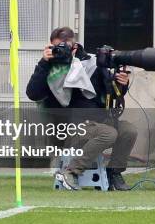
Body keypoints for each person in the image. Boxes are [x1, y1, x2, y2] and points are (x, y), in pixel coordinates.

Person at [26, 27, 137, 191]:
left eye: (65, 47)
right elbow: (33, 94)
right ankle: (71, 172)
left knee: (129, 130)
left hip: (99, 121)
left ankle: (114, 173)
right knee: (108, 133)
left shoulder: (92, 64)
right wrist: (44, 63)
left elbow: (110, 95)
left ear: (75, 47)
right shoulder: (49, 67)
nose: (60, 51)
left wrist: (121, 83)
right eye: (57, 47)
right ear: (50, 47)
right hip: (69, 126)